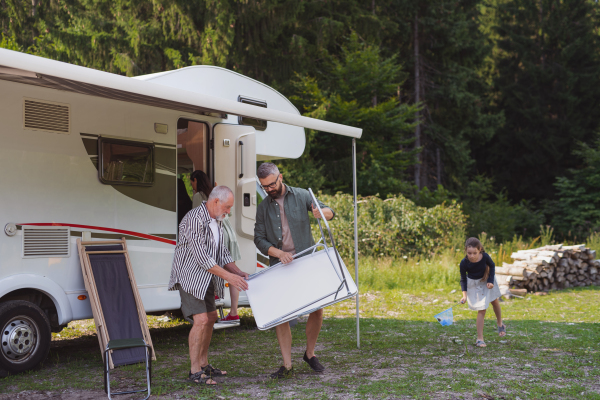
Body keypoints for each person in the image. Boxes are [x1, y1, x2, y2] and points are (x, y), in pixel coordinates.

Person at [254, 162, 335, 379]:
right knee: (282, 315)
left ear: (280, 177)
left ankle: (310, 354)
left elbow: (330, 211)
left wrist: (322, 213)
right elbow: (258, 239)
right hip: (280, 266)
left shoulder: (301, 195)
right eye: (265, 187)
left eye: (272, 184)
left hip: (305, 261)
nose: (269, 189)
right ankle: (287, 365)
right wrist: (278, 254)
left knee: (317, 309)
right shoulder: (263, 207)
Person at [168, 186, 249, 385]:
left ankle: (204, 364)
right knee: (202, 319)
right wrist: (229, 277)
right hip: (190, 276)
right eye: (227, 207)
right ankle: (194, 371)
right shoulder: (195, 219)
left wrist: (237, 271)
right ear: (215, 202)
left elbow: (221, 251)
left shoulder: (217, 220)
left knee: (212, 317)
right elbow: (202, 258)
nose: (228, 211)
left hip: (207, 277)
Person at [191, 170, 242, 322]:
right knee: (234, 273)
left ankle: (216, 294)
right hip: (230, 234)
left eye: (191, 182)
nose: (191, 185)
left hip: (217, 235)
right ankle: (234, 311)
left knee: (212, 266)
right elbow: (229, 213)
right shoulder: (216, 194)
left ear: (196, 181)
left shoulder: (198, 196)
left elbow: (197, 215)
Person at [459, 237, 506, 348]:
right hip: (474, 285)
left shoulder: (484, 257)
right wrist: (464, 296)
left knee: (494, 301)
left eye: (474, 253)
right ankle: (480, 339)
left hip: (487, 280)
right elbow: (463, 279)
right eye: (469, 253)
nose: (472, 256)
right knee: (482, 309)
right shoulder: (464, 263)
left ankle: (500, 324)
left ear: (479, 250)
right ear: (466, 250)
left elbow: (492, 265)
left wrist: (490, 281)